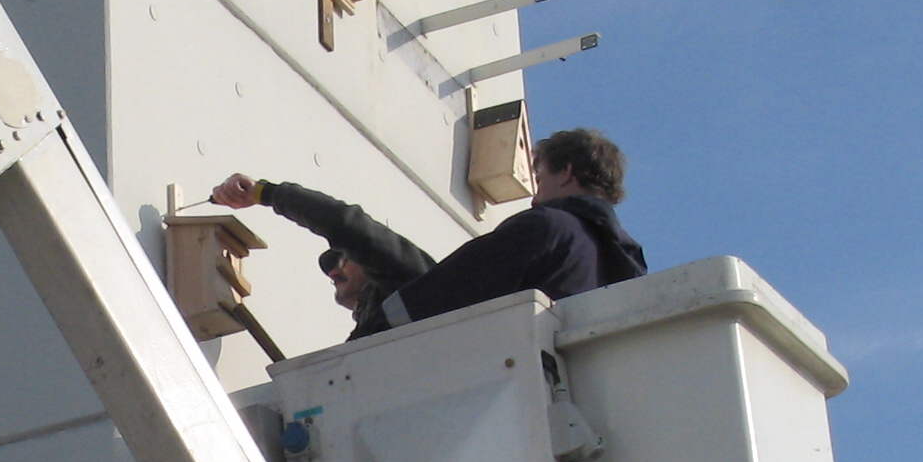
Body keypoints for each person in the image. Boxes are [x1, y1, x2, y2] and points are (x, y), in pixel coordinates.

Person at [208, 125, 645, 337]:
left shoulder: (551, 227)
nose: (534, 194)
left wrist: (265, 193)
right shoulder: (615, 267)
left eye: (541, 176)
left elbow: (455, 285)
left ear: (566, 172)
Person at [207, 171, 431, 339]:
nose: (333, 273)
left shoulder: (417, 287)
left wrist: (264, 193)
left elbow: (347, 226)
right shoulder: (375, 331)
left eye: (343, 260)